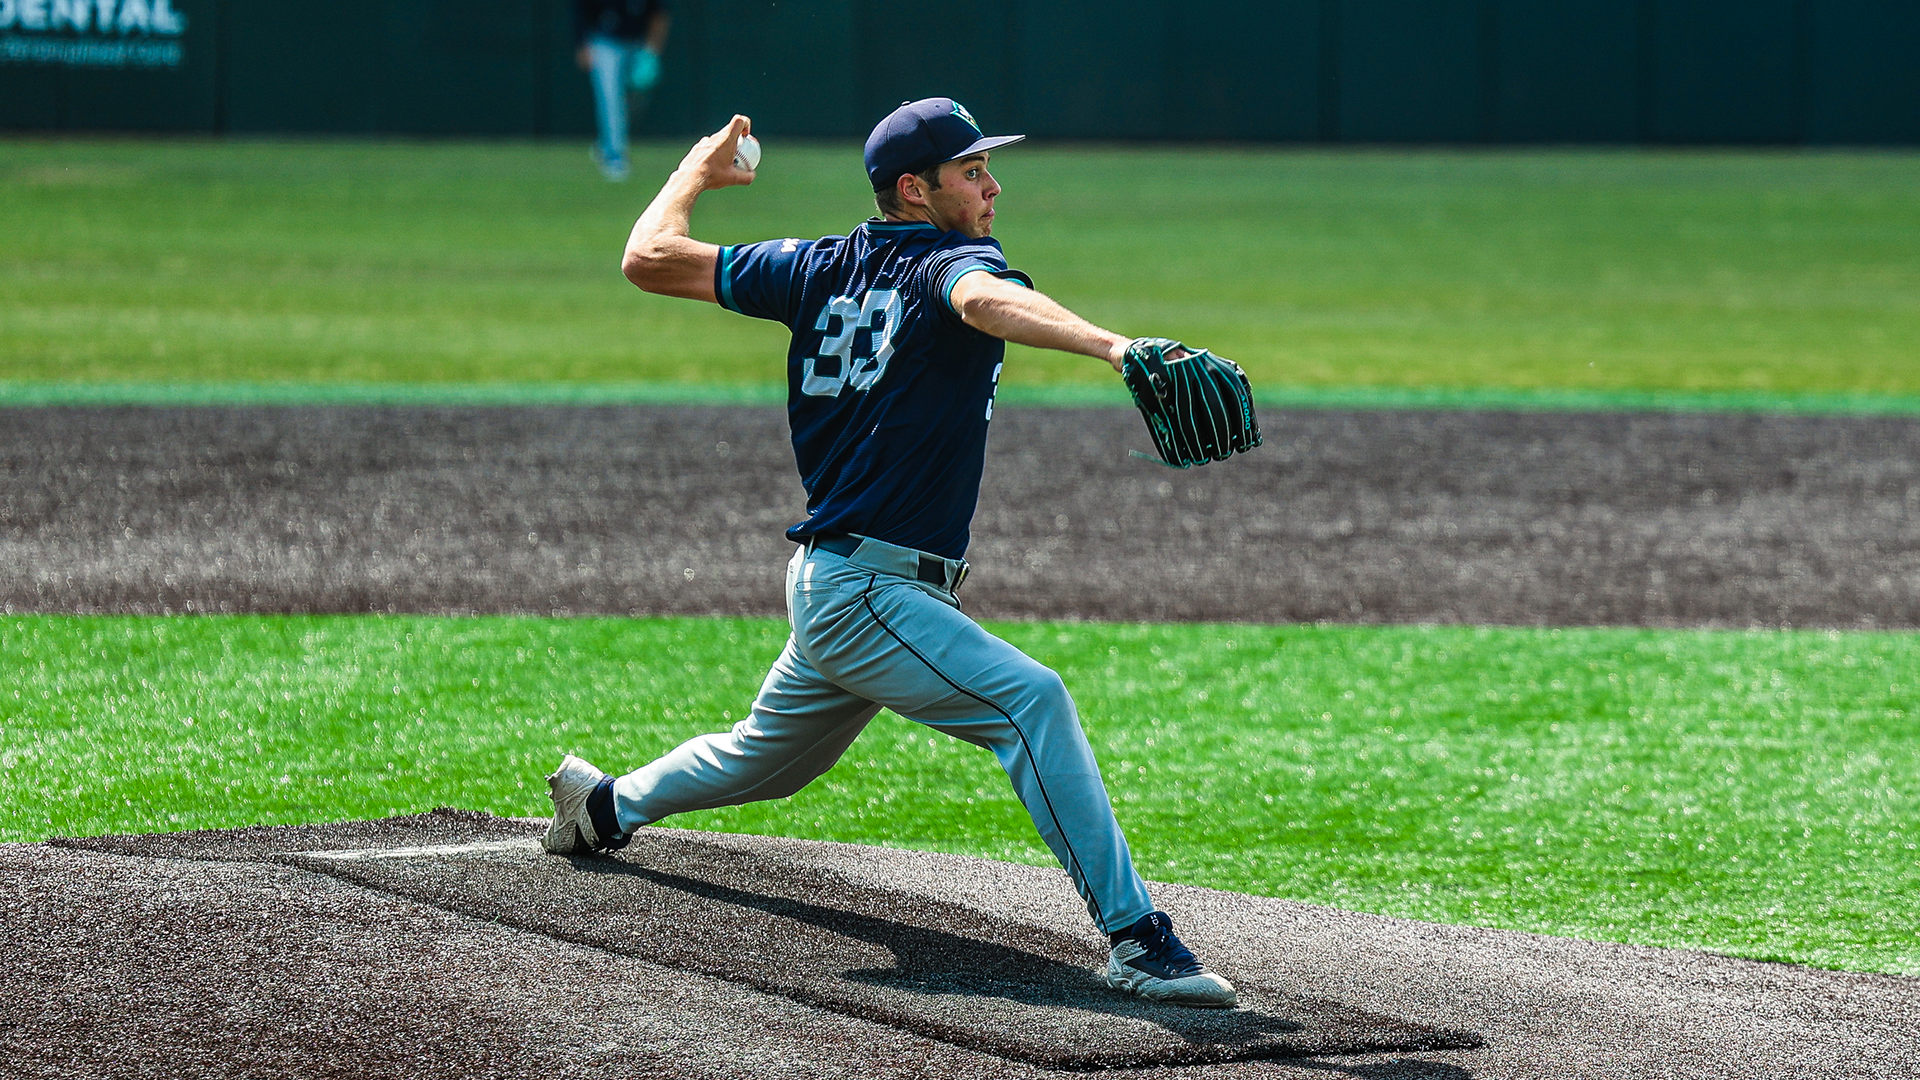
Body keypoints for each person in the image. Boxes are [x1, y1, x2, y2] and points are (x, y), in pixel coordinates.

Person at [541, 98, 1237, 1008]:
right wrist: (1114, 346)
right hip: (868, 591)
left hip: (844, 584)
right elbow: (981, 299)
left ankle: (601, 807)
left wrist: (694, 174)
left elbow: (649, 257)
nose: (991, 185)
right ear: (914, 189)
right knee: (1032, 701)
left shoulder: (811, 266)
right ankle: (1138, 940)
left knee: (765, 759)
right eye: (970, 171)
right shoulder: (950, 264)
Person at [573, 0, 671, 181]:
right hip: (605, 42)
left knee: (635, 98)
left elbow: (659, 16)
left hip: (638, 42)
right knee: (610, 99)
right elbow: (580, 10)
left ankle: (608, 142)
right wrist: (582, 44)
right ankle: (615, 156)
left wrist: (651, 52)